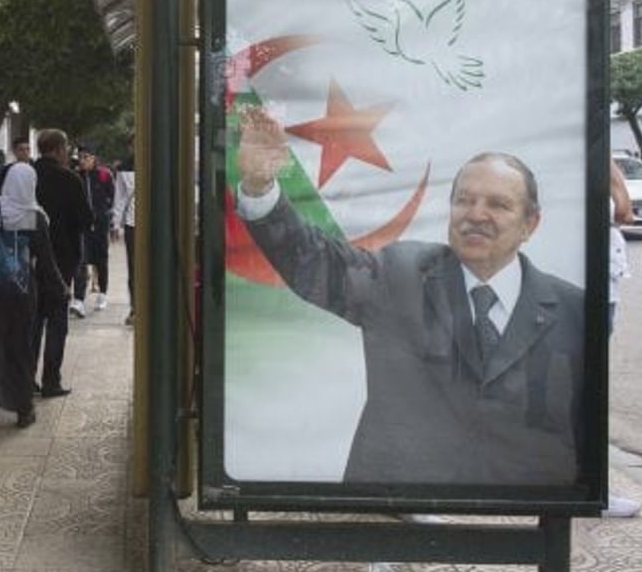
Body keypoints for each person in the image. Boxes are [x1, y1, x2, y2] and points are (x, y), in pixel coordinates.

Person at [234, 105, 584, 485]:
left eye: (498, 204)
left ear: (530, 223)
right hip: (394, 510)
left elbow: (580, 425)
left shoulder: (573, 309)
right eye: (464, 200)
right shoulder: (399, 273)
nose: (476, 214)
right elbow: (314, 262)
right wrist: (260, 188)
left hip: (516, 517)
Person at [0, 163, 65, 445]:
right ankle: (24, 409)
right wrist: (61, 288)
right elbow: (47, 262)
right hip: (20, 292)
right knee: (19, 348)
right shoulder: (35, 216)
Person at [32, 129, 93, 398]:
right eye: (66, 147)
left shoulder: (24, 175)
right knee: (57, 320)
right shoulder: (70, 179)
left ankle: (24, 378)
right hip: (61, 259)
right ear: (58, 149)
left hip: (28, 259)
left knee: (32, 321)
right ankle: (50, 380)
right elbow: (86, 219)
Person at [605, 160, 642, 519]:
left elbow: (624, 210)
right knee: (583, 390)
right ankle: (589, 485)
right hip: (588, 285)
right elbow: (623, 209)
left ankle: (592, 485)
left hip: (602, 283)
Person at [70, 146, 114, 316]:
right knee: (80, 260)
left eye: (86, 157)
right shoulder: (75, 176)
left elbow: (112, 196)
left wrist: (107, 216)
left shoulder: (104, 174)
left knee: (101, 259)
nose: (82, 160)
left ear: (94, 158)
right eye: (80, 157)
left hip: (100, 224)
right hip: (82, 225)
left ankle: (102, 293)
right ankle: (79, 299)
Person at [111, 138, 136, 327]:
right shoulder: (124, 168)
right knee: (134, 268)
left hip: (156, 223)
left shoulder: (159, 163)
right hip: (132, 223)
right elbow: (120, 197)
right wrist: (116, 224)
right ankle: (135, 307)